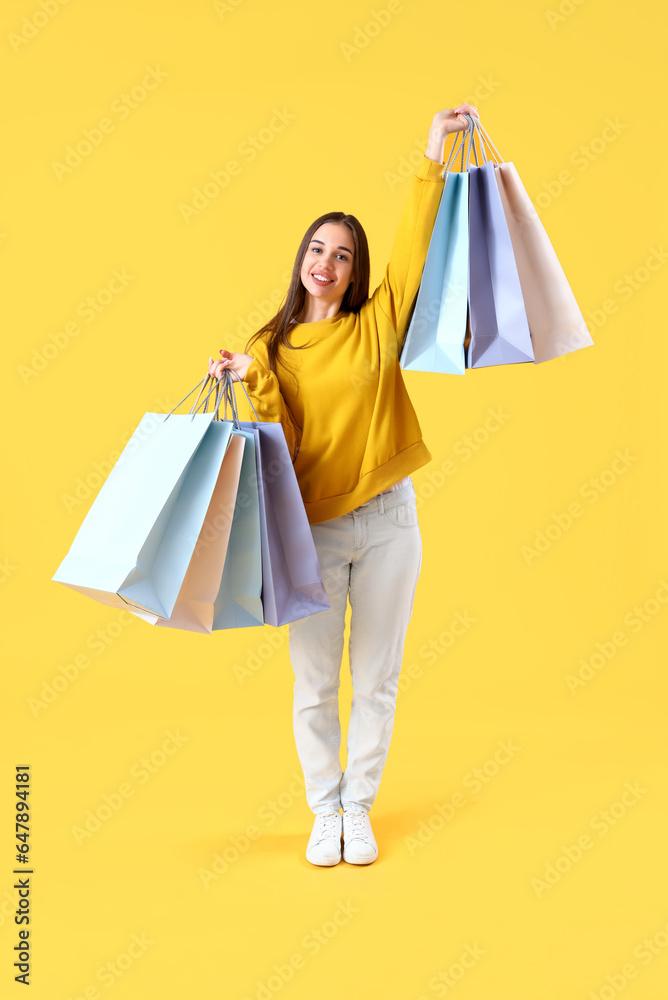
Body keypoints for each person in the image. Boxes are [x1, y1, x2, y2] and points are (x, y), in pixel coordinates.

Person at [208, 103, 480, 866]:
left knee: (378, 678)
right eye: (317, 249)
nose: (327, 262)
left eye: (343, 255)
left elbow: (413, 244)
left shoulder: (379, 323)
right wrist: (245, 379)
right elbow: (280, 451)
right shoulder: (273, 347)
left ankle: (359, 808)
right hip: (315, 531)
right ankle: (322, 810)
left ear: (356, 271)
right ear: (302, 258)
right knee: (316, 683)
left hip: (390, 519)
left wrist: (433, 153)